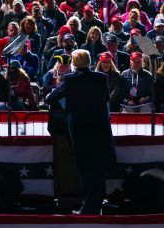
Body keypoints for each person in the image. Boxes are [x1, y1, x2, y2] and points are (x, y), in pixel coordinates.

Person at [45, 49, 116, 214]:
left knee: (85, 168)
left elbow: (51, 98)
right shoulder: (101, 78)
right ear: (89, 62)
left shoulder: (70, 79)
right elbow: (105, 99)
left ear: (74, 63)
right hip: (99, 128)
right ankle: (97, 203)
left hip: (80, 130)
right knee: (97, 167)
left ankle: (88, 208)